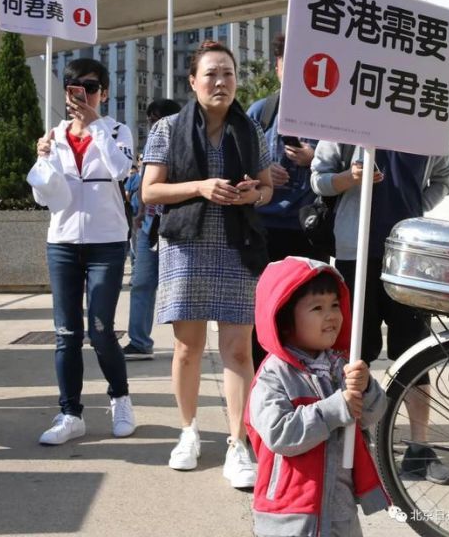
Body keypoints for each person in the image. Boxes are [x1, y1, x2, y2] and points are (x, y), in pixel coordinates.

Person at [142, 40, 273, 488]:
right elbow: (150, 192)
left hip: (238, 245)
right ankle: (189, 431)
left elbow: (268, 189)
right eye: (212, 74)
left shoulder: (252, 132)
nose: (220, 82)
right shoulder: (167, 129)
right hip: (187, 245)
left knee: (239, 349)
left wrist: (252, 193)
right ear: (193, 81)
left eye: (228, 74)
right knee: (188, 348)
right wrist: (200, 187)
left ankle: (238, 444)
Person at [311, 144, 449, 484]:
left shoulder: (422, 125)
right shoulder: (349, 122)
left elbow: (447, 176)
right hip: (354, 250)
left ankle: (419, 449)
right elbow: (318, 180)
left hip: (409, 252)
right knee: (353, 352)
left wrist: (417, 206)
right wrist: (350, 178)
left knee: (415, 350)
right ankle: (352, 439)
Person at [30, 57, 136, 445]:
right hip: (62, 241)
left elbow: (119, 169)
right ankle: (70, 413)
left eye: (90, 87)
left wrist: (95, 126)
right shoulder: (54, 135)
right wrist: (42, 159)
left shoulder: (118, 131)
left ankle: (120, 398)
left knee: (102, 329)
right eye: (75, 87)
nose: (82, 94)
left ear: (103, 93)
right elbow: (43, 198)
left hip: (106, 241)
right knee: (66, 333)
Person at [246, 256, 389, 537]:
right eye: (317, 308)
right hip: (292, 511)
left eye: (335, 305)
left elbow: (371, 416)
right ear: (284, 319)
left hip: (340, 506)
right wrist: (336, 408)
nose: (331, 315)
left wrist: (366, 388)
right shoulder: (273, 375)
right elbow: (281, 434)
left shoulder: (341, 364)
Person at [247, 34, 323, 369]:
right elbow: (236, 165)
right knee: (264, 313)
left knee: (307, 314)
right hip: (264, 230)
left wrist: (314, 157)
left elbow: (345, 166)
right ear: (277, 67)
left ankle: (304, 382)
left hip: (309, 230)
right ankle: (263, 387)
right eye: (286, 64)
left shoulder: (325, 114)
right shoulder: (262, 112)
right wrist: (261, 172)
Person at [123, 98, 181, 360]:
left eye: (155, 118)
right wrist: (139, 214)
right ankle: (139, 341)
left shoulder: (185, 146)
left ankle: (188, 342)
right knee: (142, 283)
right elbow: (143, 188)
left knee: (182, 288)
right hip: (149, 228)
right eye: (150, 119)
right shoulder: (150, 148)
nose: (152, 124)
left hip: (178, 227)